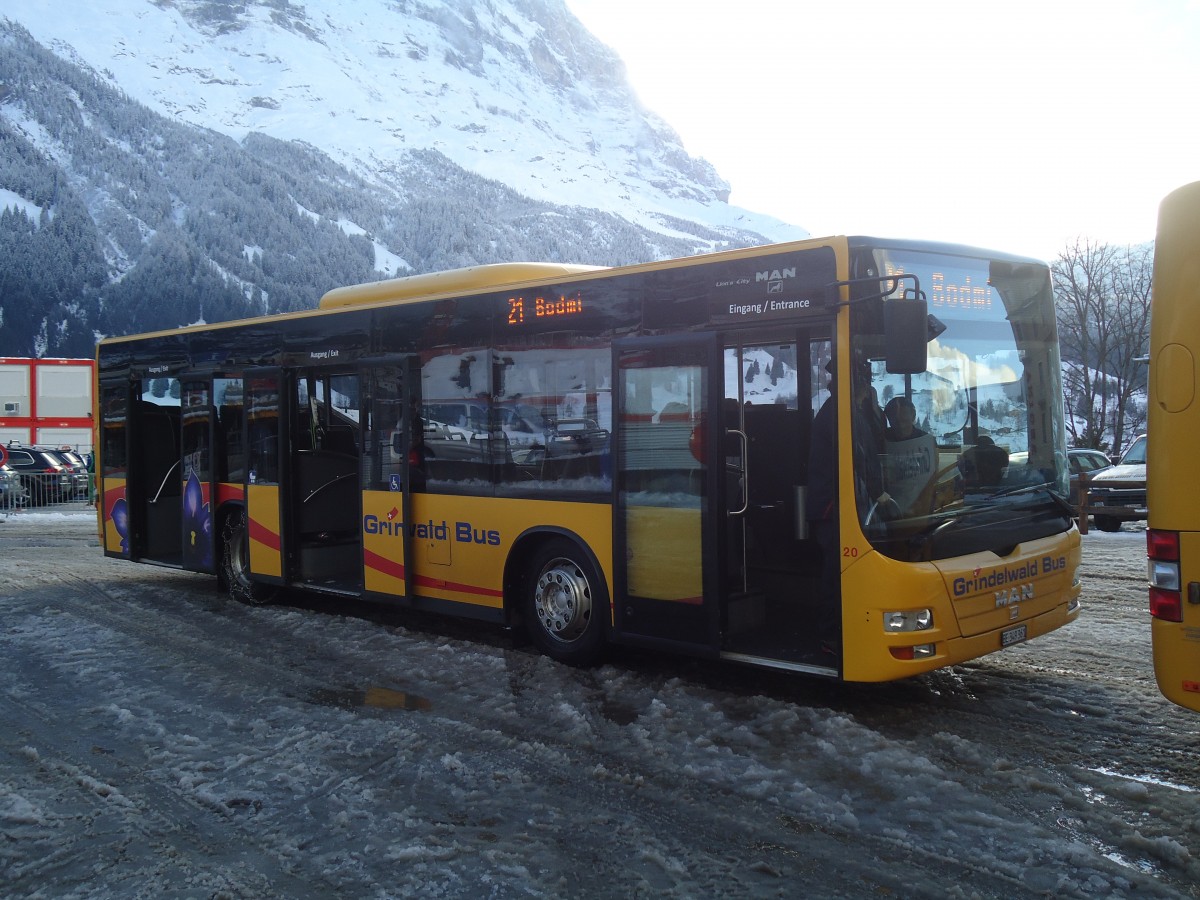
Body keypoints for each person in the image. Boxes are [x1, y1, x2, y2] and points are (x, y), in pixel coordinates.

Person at [882, 396, 938, 513]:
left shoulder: (927, 441)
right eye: (896, 422)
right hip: (888, 503)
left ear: (913, 416)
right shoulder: (880, 441)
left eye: (904, 421)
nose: (901, 426)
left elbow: (933, 476)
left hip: (920, 503)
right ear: (889, 419)